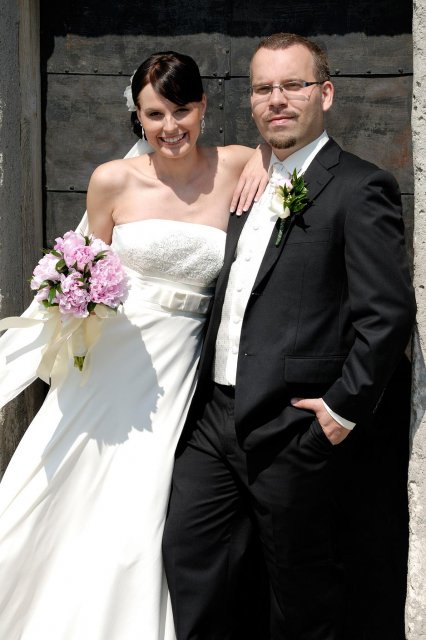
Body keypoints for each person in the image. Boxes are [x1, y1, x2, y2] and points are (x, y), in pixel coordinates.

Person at [0, 51, 269, 640]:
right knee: (69, 484)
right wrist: (72, 293)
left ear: (203, 107)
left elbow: (284, 157)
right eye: (155, 115)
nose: (170, 127)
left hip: (180, 368)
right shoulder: (112, 180)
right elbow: (84, 267)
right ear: (138, 117)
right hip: (113, 358)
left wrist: (264, 158)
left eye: (182, 110)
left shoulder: (238, 164)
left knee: (140, 510)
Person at [162, 33, 417, 640]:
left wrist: (339, 413)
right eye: (263, 88)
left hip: (293, 429)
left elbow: (387, 315)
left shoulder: (360, 187)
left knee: (300, 601)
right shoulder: (246, 186)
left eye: (293, 86)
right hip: (212, 422)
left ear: (324, 94)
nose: (276, 99)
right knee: (191, 566)